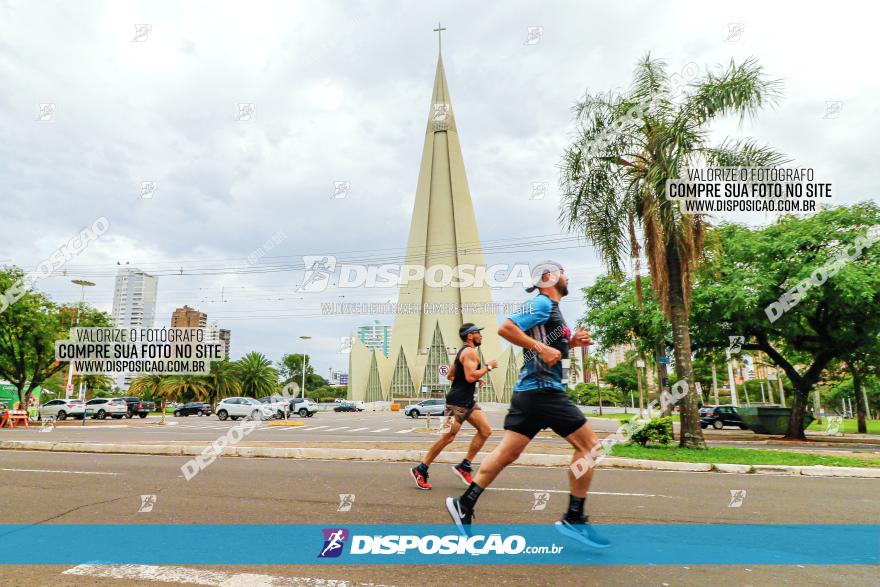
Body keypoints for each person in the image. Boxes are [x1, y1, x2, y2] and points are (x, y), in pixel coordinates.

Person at [445, 261, 610, 548]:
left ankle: (464, 503)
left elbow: (551, 343)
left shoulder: (553, 310)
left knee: (506, 454)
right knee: (589, 447)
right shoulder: (542, 303)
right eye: (564, 272)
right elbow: (506, 328)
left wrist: (574, 343)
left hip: (531, 394)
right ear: (549, 278)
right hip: (544, 391)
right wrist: (541, 348)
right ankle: (574, 517)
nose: (568, 276)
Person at [410, 323, 496, 490]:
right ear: (470, 336)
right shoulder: (470, 352)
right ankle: (421, 469)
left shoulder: (462, 353)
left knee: (485, 430)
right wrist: (488, 367)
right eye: (478, 333)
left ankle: (464, 466)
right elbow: (470, 377)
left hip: (468, 402)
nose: (481, 336)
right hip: (455, 403)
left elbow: (451, 375)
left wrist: (476, 378)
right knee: (447, 437)